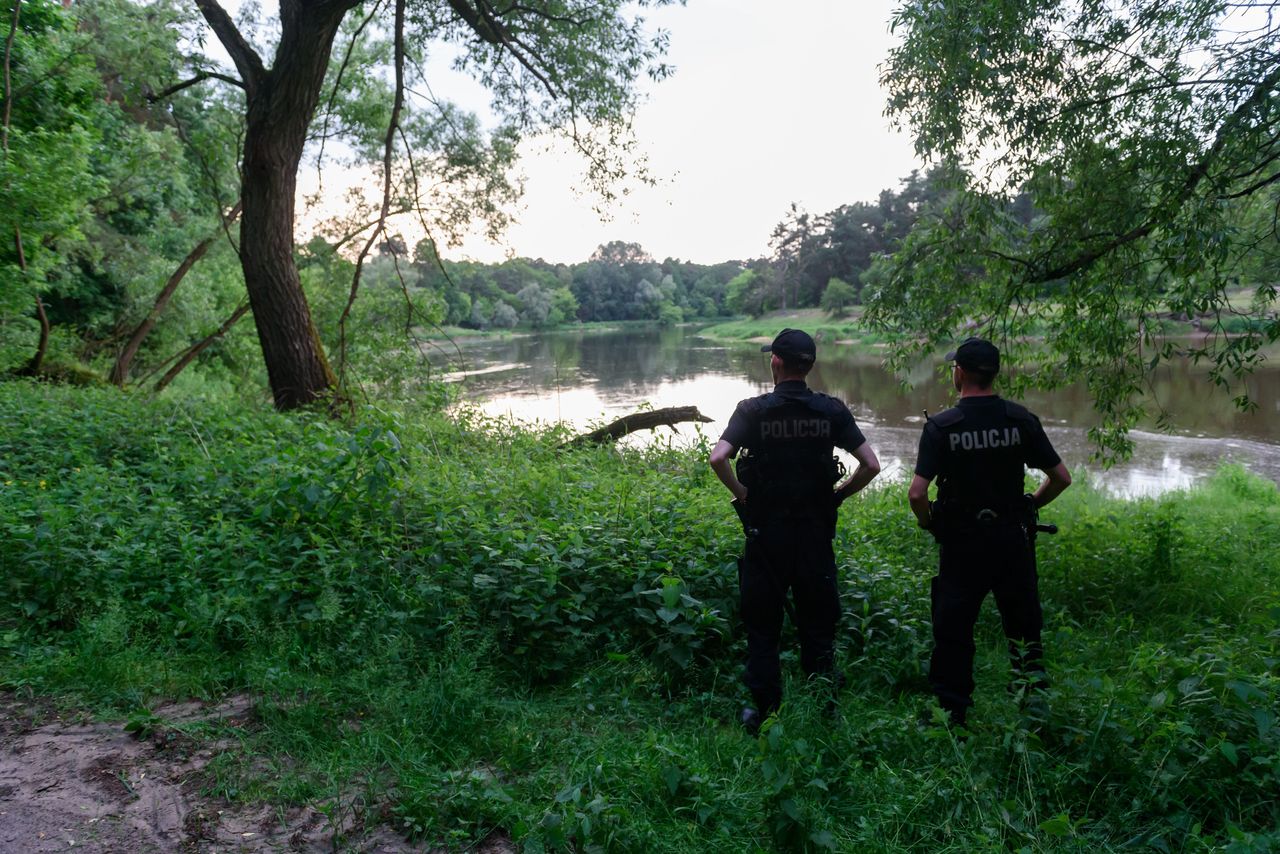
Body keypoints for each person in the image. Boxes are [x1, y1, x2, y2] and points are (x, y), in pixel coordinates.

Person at [709, 328, 881, 733]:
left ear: (776, 362)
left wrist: (743, 494)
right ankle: (825, 710)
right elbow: (871, 465)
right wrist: (838, 495)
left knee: (763, 625)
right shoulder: (831, 410)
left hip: (766, 536)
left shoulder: (752, 410)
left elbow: (718, 457)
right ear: (810, 366)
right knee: (818, 624)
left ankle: (766, 715)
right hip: (815, 535)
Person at [907, 337, 1071, 729]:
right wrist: (1030, 505)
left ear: (959, 373)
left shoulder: (942, 427)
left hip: (962, 544)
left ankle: (951, 715)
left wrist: (930, 522)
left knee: (954, 629)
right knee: (1024, 626)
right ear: (995, 373)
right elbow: (1061, 478)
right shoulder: (1020, 420)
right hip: (1012, 541)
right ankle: (1033, 712)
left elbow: (917, 493)